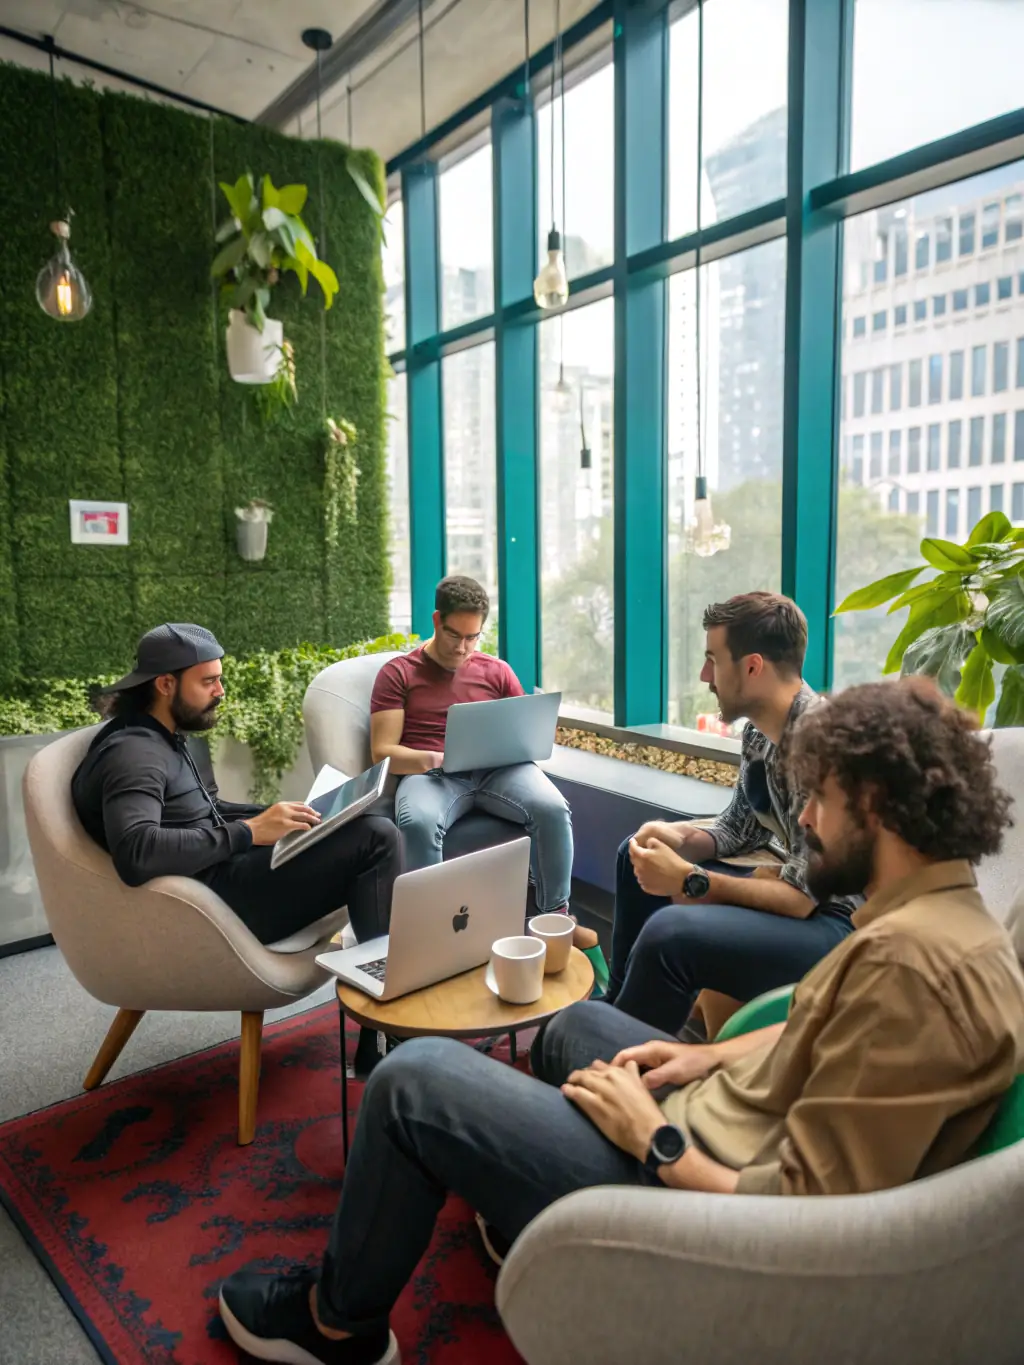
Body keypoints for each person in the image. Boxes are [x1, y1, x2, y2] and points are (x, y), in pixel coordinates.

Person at [217, 677, 1024, 1363]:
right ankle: (525, 1204)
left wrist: (654, 1136)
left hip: (701, 1193)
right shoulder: (938, 920)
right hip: (732, 1113)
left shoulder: (916, 971)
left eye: (822, 799)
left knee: (410, 1080)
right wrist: (708, 1058)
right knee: (571, 1029)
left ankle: (338, 1323)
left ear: (877, 805)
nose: (805, 819)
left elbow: (806, 1215)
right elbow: (823, 1024)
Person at [604, 591, 858, 1036]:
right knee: (635, 851)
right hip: (797, 892)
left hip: (837, 925)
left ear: (753, 667)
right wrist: (678, 837)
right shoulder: (759, 736)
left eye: (712, 660)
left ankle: (622, 1048)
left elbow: (801, 900)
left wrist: (689, 878)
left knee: (673, 935)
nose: (705, 676)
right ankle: (617, 1009)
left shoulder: (820, 744)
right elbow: (739, 829)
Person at [72, 621, 401, 957]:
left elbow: (206, 809)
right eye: (208, 681)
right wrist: (250, 831)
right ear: (166, 684)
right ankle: (379, 970)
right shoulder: (134, 755)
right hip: (211, 904)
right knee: (375, 837)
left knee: (360, 821)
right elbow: (138, 853)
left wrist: (289, 815)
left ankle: (380, 963)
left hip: (226, 872)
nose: (221, 691)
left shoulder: (167, 735)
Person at [370, 574, 593, 946]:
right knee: (418, 821)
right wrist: (435, 757)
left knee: (553, 808)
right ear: (437, 620)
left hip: (497, 770)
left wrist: (529, 740)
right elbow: (382, 752)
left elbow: (524, 732)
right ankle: (432, 933)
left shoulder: (497, 671)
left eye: (472, 637)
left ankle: (555, 919)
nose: (463, 648)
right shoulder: (398, 674)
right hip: (432, 775)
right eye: (455, 635)